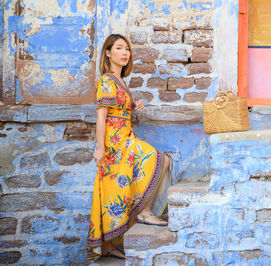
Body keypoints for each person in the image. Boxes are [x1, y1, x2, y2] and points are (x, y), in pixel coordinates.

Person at [86, 34, 172, 260]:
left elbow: (119, 109)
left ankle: (108, 245)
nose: (125, 53)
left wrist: (133, 106)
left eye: (127, 49)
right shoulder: (106, 80)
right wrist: (100, 149)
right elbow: (102, 116)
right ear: (107, 52)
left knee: (118, 190)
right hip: (116, 142)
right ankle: (144, 212)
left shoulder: (120, 81)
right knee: (158, 158)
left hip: (125, 135)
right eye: (119, 48)